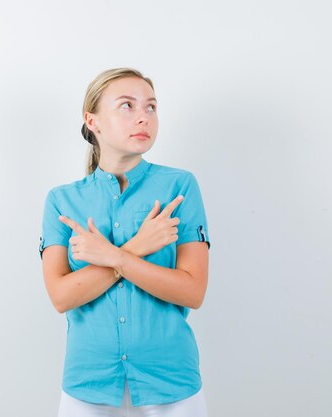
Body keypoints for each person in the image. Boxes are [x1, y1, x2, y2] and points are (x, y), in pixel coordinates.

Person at [38, 68, 211, 417]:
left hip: (172, 386)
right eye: (127, 106)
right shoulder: (61, 201)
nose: (143, 117)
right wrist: (136, 249)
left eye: (151, 107)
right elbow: (61, 296)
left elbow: (192, 292)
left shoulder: (180, 188)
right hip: (88, 388)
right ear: (93, 121)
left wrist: (113, 257)